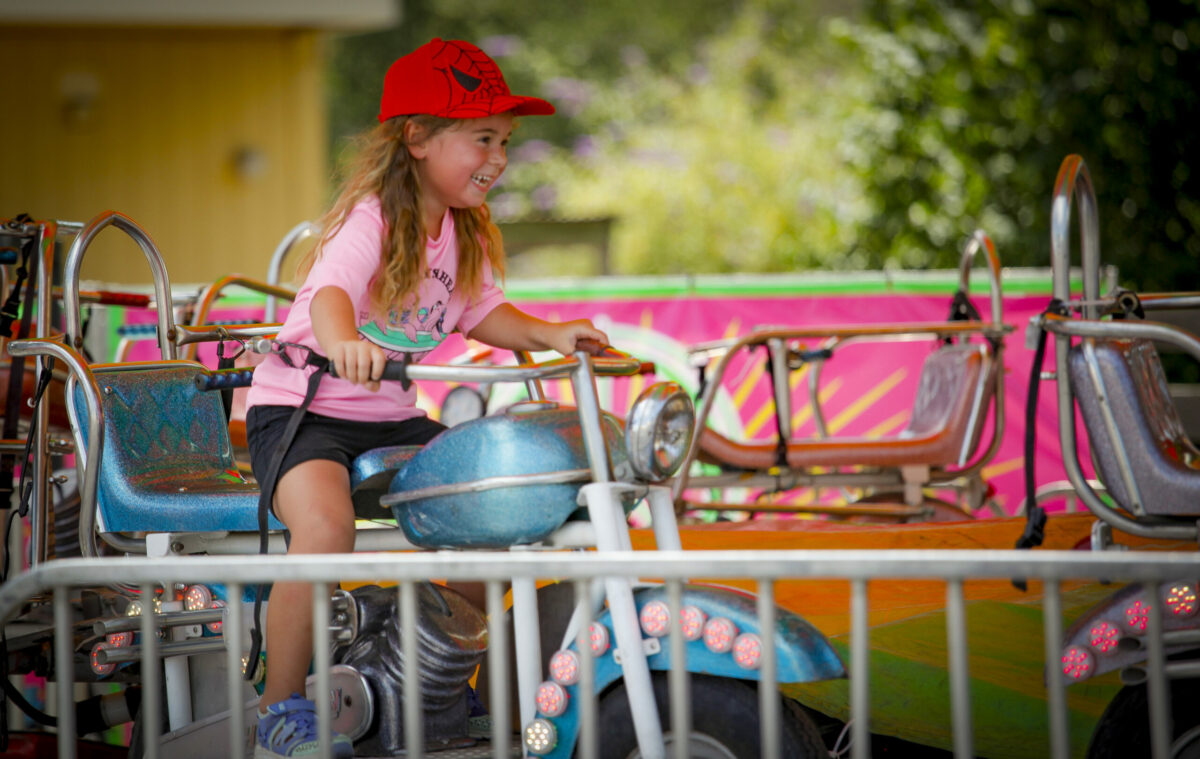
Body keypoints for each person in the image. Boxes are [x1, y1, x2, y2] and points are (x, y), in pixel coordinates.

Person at [244, 37, 607, 758]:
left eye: (503, 140)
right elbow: (330, 297)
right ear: (415, 137)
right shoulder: (375, 216)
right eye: (481, 138)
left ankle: (436, 680)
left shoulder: (462, 231)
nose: (498, 158)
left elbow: (484, 314)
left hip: (387, 416)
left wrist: (553, 332)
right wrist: (345, 340)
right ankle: (280, 708)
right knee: (324, 528)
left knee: (489, 504)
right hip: (302, 410)